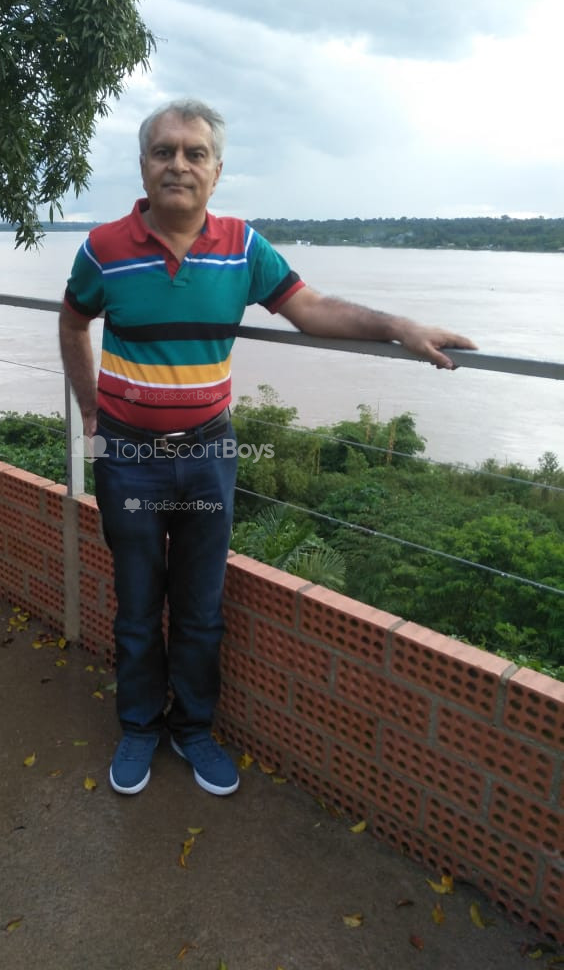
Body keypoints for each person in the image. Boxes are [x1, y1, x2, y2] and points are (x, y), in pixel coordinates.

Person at [59, 98, 477, 798]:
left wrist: (398, 326)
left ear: (216, 172)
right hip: (128, 458)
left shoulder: (243, 247)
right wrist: (91, 415)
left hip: (207, 457)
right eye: (164, 151)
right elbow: (73, 323)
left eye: (194, 153)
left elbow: (310, 309)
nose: (178, 164)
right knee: (136, 604)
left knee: (200, 607)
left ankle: (194, 729)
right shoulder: (103, 248)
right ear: (143, 165)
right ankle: (138, 726)